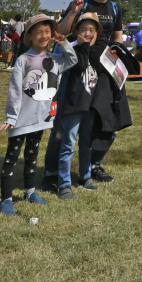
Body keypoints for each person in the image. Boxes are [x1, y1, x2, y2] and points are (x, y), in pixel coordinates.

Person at [48, 0, 130, 184]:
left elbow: (117, 39)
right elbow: (61, 32)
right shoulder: (82, 5)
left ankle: (94, 165)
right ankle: (51, 171)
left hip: (104, 71)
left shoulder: (114, 7)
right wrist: (74, 11)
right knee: (64, 124)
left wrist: (118, 60)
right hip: (78, 68)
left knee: (107, 121)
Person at [0, 14, 76, 216]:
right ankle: (5, 198)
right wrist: (11, 117)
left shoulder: (55, 60)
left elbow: (73, 59)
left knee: (32, 158)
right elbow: (15, 90)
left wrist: (64, 42)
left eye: (47, 32)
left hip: (41, 120)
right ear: (30, 36)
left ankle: (30, 192)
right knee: (12, 159)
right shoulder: (23, 60)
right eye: (38, 32)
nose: (43, 36)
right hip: (21, 120)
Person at [57, 12, 102, 200]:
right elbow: (81, 65)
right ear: (76, 32)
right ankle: (64, 183)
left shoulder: (96, 51)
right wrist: (83, 45)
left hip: (90, 107)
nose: (87, 33)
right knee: (68, 144)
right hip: (73, 106)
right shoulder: (73, 50)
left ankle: (85, 176)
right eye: (83, 29)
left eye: (92, 30)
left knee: (86, 144)